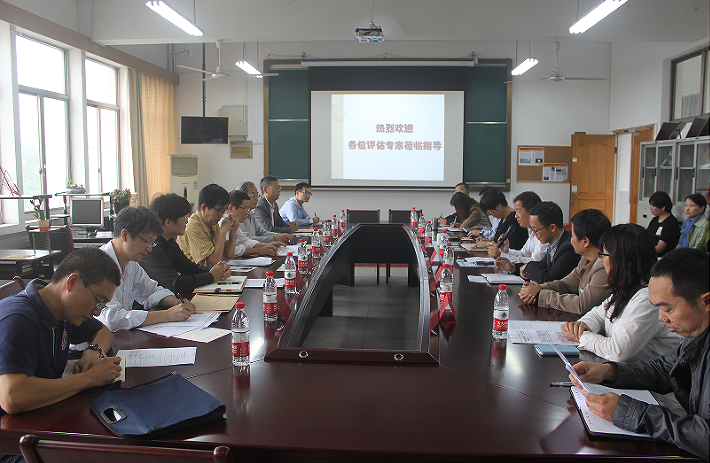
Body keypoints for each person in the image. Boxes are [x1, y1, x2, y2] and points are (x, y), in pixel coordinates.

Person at [570, 248, 709, 461]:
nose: (662, 318)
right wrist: (609, 371)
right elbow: (664, 368)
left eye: (668, 309)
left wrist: (633, 413)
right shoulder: (696, 334)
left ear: (706, 302)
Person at [0, 247, 122, 416]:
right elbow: (12, 397)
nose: (97, 312)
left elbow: (103, 332)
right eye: (98, 301)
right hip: (13, 425)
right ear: (72, 282)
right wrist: (90, 378)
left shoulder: (63, 311)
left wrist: (93, 352)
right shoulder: (18, 319)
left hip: (45, 412)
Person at [561, 223, 681, 361]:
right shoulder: (627, 288)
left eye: (603, 255)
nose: (602, 261)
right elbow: (598, 314)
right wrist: (582, 326)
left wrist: (582, 336)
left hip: (649, 373)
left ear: (619, 259)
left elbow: (617, 352)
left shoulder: (648, 298)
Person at [100, 206, 196, 331]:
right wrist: (166, 315)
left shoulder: (131, 264)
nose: (149, 249)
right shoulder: (99, 266)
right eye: (147, 241)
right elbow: (112, 320)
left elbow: (150, 291)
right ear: (125, 235)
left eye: (153, 243)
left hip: (121, 336)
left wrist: (177, 302)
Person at [518, 208, 611, 315]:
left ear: (585, 242)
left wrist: (540, 294)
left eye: (573, 235)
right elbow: (566, 284)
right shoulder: (586, 259)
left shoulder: (604, 266)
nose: (570, 239)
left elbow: (581, 305)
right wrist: (537, 289)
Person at [139, 193, 231, 294]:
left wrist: (218, 271)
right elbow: (175, 283)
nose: (186, 222)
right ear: (168, 222)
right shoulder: (152, 247)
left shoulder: (168, 240)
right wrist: (211, 276)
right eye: (184, 217)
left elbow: (188, 267)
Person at [177, 183, 238, 267]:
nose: (221, 215)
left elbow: (229, 254)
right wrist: (222, 231)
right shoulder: (193, 226)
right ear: (204, 208)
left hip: (207, 272)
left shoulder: (212, 223)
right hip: (193, 273)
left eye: (224, 211)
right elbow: (214, 260)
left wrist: (233, 232)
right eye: (219, 210)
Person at [521, 201, 581, 283]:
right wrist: (513, 268)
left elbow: (548, 279)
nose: (534, 234)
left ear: (552, 228)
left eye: (536, 230)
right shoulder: (554, 243)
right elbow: (542, 265)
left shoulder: (568, 248)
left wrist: (528, 266)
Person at [491, 191, 548, 272]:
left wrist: (502, 255)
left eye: (518, 211)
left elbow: (533, 262)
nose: (516, 216)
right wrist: (507, 251)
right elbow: (523, 254)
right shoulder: (532, 232)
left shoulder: (543, 234)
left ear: (532, 211)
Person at [226, 189, 280, 257]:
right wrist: (257, 250)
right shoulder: (223, 223)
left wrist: (266, 245)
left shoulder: (234, 221)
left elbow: (245, 240)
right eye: (245, 209)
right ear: (231, 208)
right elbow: (231, 251)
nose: (247, 213)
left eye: (248, 209)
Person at [645, 191, 681, 256]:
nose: (650, 208)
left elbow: (659, 249)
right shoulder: (655, 220)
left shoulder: (671, 224)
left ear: (663, 207)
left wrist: (642, 250)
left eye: (653, 205)